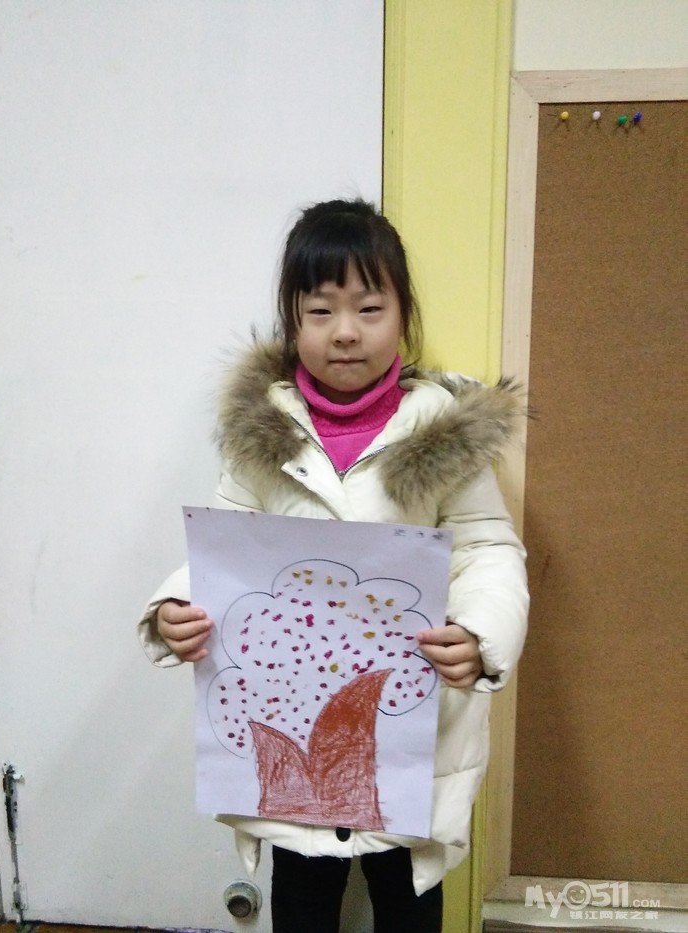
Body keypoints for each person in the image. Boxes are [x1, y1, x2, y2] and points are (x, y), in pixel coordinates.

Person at [138, 198, 528, 933]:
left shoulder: (444, 432)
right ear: (293, 320)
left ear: (402, 316)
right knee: (303, 898)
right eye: (320, 310)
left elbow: (488, 549)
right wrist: (174, 610)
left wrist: (482, 634)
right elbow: (224, 549)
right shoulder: (263, 433)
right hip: (293, 720)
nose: (345, 331)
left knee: (407, 900)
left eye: (369, 308)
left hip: (411, 732)